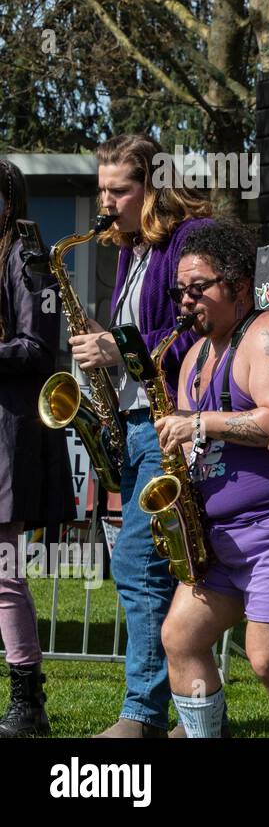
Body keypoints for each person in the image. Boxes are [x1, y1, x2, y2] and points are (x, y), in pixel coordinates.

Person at [150, 220, 269, 737]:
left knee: (268, 660)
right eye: (179, 290)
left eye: (198, 287)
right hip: (220, 537)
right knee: (180, 638)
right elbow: (193, 438)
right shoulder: (191, 356)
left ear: (240, 286)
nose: (186, 301)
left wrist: (200, 423)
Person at [72, 134, 213, 738]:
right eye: (101, 188)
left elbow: (193, 327)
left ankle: (145, 712)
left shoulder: (182, 240)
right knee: (158, 564)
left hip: (167, 421)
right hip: (132, 421)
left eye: (119, 189)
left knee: (141, 563)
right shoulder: (128, 248)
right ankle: (191, 709)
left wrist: (118, 347)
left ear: (152, 187)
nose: (106, 201)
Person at [0, 160, 76, 737]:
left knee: (3, 572)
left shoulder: (28, 261)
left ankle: (27, 700)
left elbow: (37, 350)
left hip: (10, 433)